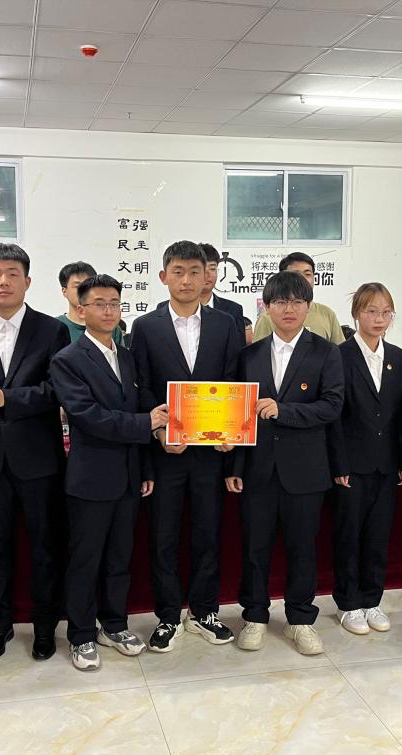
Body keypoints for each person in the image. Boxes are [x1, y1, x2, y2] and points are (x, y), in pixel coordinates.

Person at [0, 243, 71, 662]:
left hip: (39, 459)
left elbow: (58, 390)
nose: (3, 281)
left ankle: (44, 627)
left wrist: (8, 399)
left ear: (27, 281)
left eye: (12, 274)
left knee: (44, 547)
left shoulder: (51, 331)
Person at [50, 274, 168, 671]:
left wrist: (145, 466)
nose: (108, 310)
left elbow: (138, 408)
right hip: (91, 477)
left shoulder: (128, 356)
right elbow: (88, 416)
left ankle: (114, 624)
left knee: (120, 556)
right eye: (99, 303)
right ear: (81, 310)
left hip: (130, 475)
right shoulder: (67, 360)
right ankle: (81, 634)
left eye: (114, 303)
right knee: (86, 560)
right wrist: (146, 423)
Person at [131, 241, 243, 652]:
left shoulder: (226, 324)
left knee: (207, 533)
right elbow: (140, 387)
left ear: (207, 275)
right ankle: (166, 615)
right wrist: (158, 432)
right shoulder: (145, 327)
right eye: (178, 271)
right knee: (163, 536)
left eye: (195, 271)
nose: (187, 280)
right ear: (164, 277)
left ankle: (204, 611)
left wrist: (231, 429)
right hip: (167, 452)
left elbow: (234, 383)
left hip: (211, 454)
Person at [225, 270, 344, 656]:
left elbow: (332, 406)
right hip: (257, 469)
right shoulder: (249, 355)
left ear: (308, 307)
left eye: (296, 302)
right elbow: (240, 415)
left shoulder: (326, 352)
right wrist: (236, 468)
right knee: (254, 548)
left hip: (306, 469)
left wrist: (284, 410)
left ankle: (301, 620)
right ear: (266, 308)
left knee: (302, 549)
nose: (288, 309)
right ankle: (255, 616)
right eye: (280, 302)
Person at [328, 283, 402, 636]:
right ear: (356, 314)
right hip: (351, 464)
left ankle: (371, 600)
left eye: (385, 312)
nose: (379, 318)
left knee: (378, 535)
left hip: (387, 462)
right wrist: (339, 464)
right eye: (371, 311)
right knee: (349, 535)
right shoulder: (339, 355)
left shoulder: (398, 357)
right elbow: (334, 416)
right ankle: (348, 603)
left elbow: (401, 414)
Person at [252, 253, 344, 343]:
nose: (302, 279)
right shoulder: (268, 317)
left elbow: (340, 349)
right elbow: (259, 350)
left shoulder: (327, 313)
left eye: (307, 274)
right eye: (296, 275)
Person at [57, 261, 125, 347]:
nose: (83, 290)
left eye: (88, 285)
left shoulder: (110, 326)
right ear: (64, 291)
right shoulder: (56, 326)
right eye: (77, 286)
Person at [199, 242, 245, 334]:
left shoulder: (233, 310)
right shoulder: (180, 308)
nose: (207, 274)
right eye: (202, 269)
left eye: (212, 269)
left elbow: (238, 343)